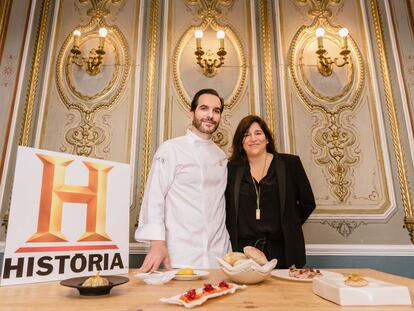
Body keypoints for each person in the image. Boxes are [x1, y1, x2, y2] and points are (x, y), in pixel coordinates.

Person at [135, 88, 231, 272]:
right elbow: (154, 197)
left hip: (219, 256)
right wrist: (156, 243)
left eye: (216, 111)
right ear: (191, 113)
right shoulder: (171, 149)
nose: (210, 115)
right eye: (204, 108)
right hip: (180, 255)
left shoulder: (220, 156)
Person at [225, 115, 315, 268]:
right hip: (243, 252)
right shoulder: (231, 170)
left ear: (267, 138)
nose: (253, 138)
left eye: (258, 133)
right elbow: (225, 208)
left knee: (284, 292)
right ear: (241, 142)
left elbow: (308, 203)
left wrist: (289, 224)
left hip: (283, 249)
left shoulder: (290, 164)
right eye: (246, 135)